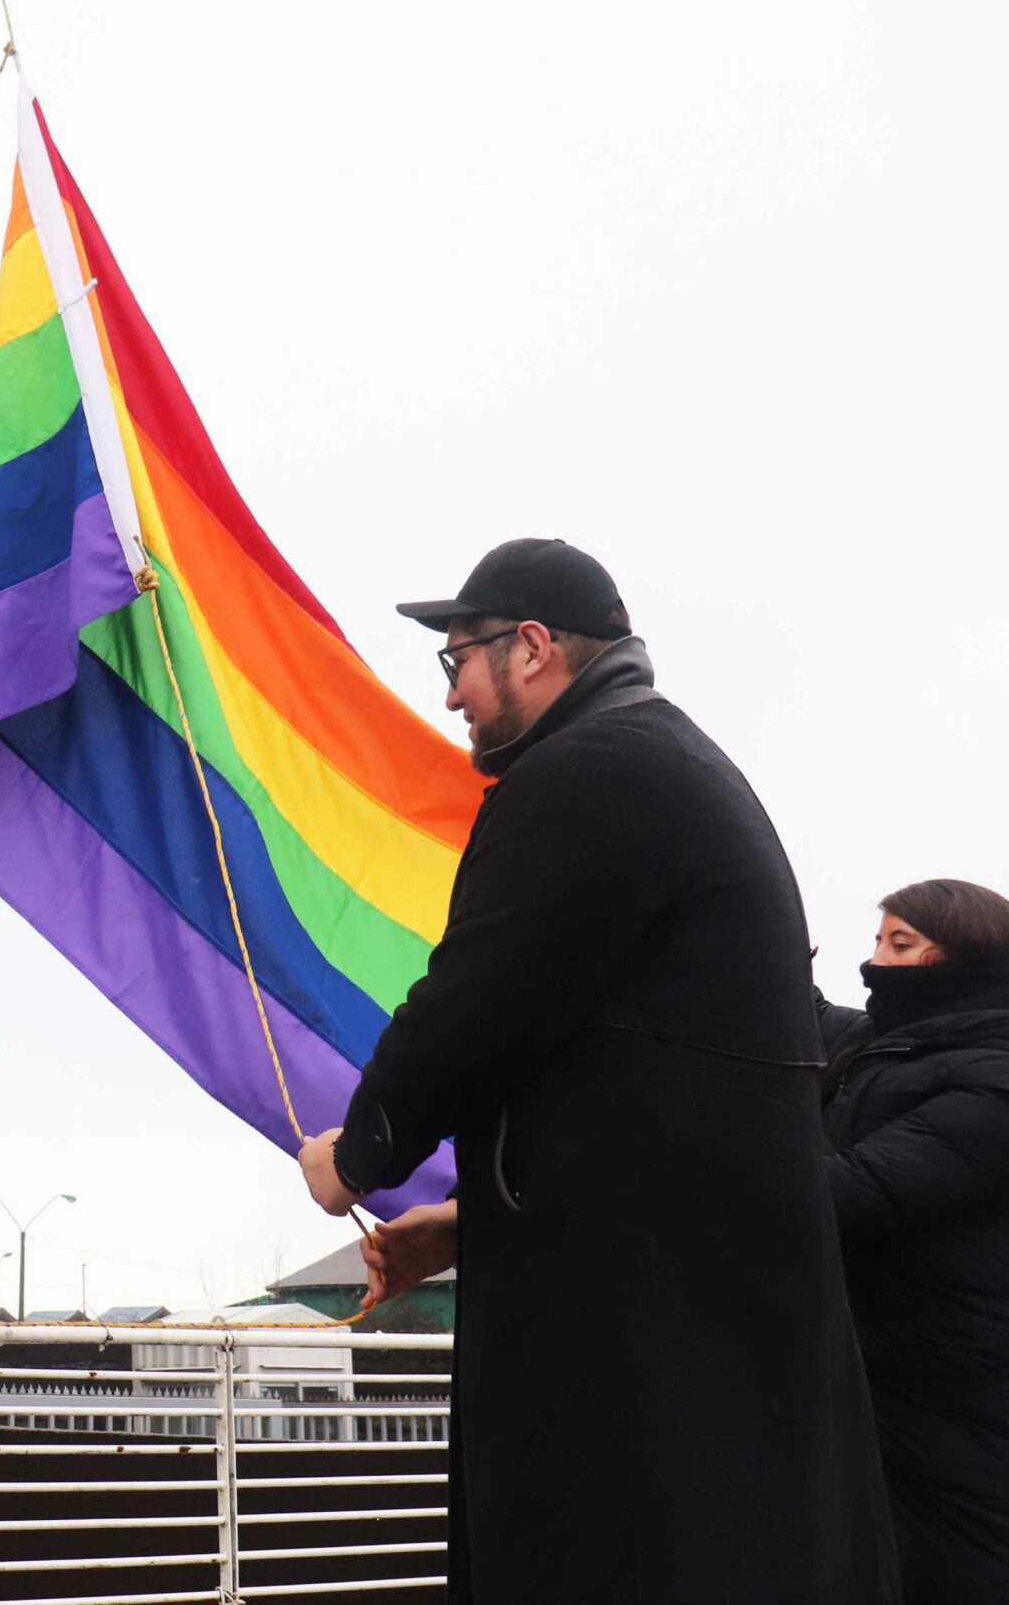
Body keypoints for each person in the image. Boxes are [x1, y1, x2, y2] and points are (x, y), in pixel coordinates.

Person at [296, 539, 895, 1603]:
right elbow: (641, 1081)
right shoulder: (655, 760)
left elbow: (476, 1000)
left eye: (457, 662)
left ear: (530, 648)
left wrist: (361, 1151)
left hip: (649, 1350)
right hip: (695, 1318)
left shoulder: (591, 773)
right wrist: (473, 1220)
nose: (450, 700)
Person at [822, 880, 1009, 1602]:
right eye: (877, 942)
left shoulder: (994, 1078)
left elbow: (855, 1190)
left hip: (961, 1400)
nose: (877, 963)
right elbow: (792, 1012)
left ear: (965, 957)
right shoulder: (882, 1047)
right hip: (878, 1383)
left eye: (900, 945)